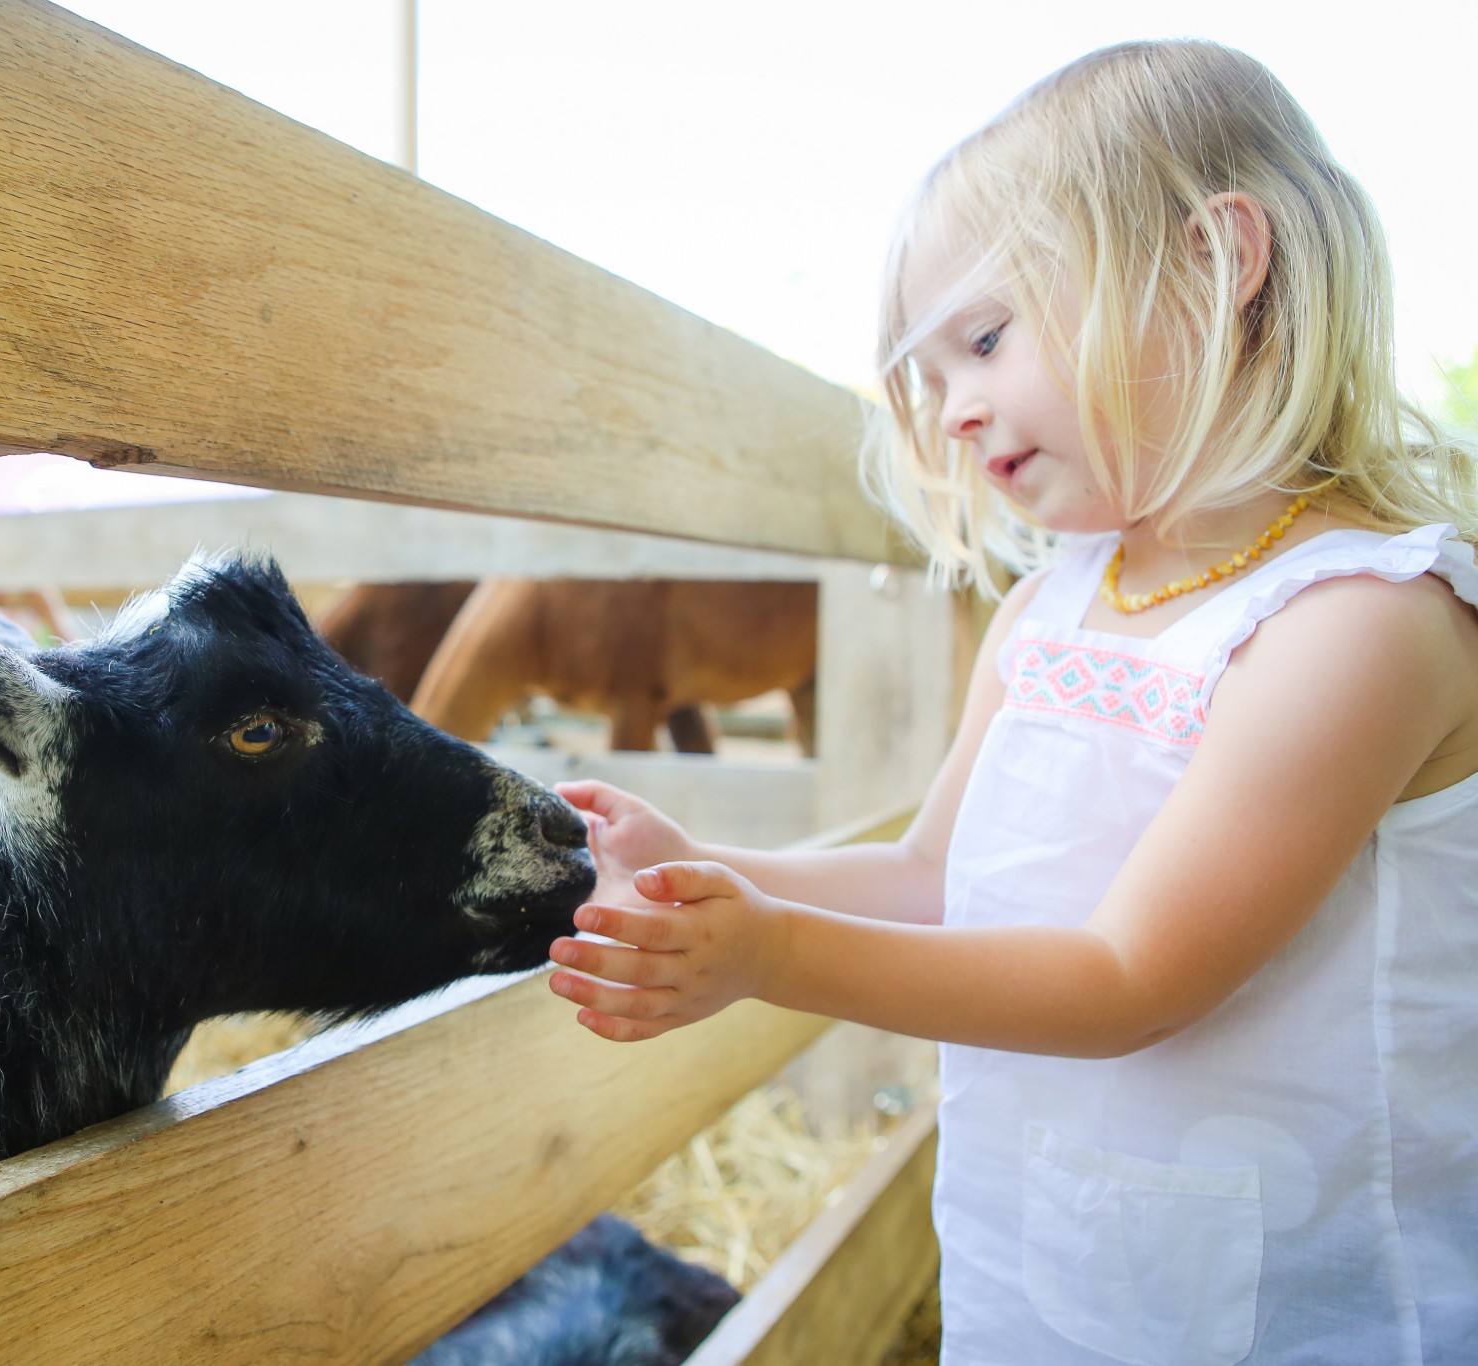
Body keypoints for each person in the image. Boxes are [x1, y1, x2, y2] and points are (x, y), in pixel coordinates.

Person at [545, 39, 1478, 1365]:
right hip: (1060, 1267)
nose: (961, 411)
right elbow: (944, 873)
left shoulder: (1357, 625)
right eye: (934, 380)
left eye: (985, 340)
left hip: (1294, 1299)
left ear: (1216, 265)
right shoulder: (1052, 609)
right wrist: (708, 869)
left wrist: (773, 956)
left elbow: (1129, 974)